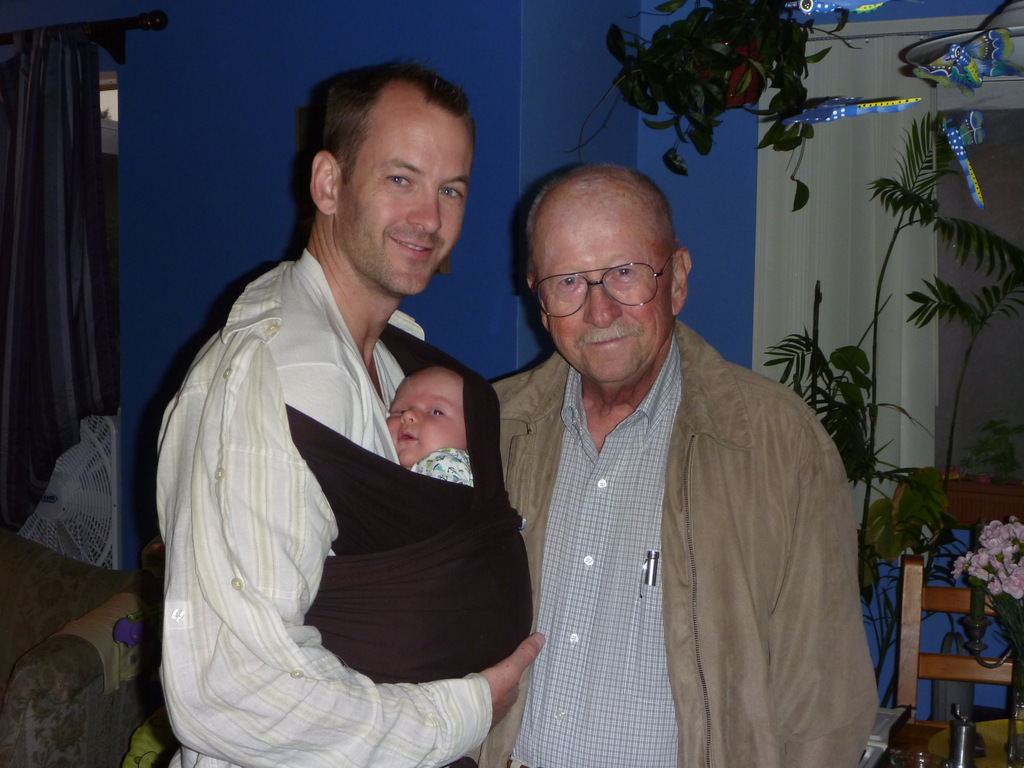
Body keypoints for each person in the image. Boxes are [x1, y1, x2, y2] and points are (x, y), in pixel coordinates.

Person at [157, 61, 542, 768]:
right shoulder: (272, 378)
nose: (430, 219)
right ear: (329, 184)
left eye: (451, 189)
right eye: (400, 178)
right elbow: (231, 687)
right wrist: (464, 710)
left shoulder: (400, 361)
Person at [480, 164, 877, 768]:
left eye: (625, 272)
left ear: (678, 279)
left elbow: (823, 699)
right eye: (569, 281)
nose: (600, 311)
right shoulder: (487, 432)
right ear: (539, 298)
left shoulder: (779, 444)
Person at [388, 365, 474, 486]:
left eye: (436, 412)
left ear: (470, 436)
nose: (408, 415)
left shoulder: (443, 462)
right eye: (401, 411)